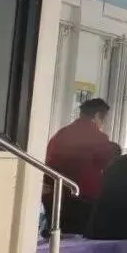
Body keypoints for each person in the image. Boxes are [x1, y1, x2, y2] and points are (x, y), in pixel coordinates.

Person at [43, 98, 118, 235]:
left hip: (54, 193)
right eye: (104, 119)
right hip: (81, 196)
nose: (104, 123)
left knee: (56, 237)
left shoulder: (61, 133)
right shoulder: (97, 137)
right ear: (97, 116)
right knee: (77, 238)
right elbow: (108, 164)